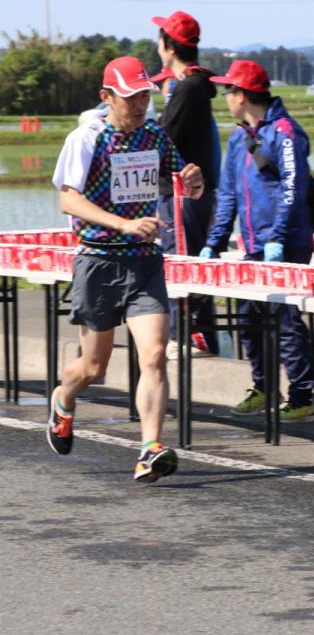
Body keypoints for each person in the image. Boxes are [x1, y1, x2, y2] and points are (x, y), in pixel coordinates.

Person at [48, 56, 205, 481]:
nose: (138, 105)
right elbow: (68, 200)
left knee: (154, 354)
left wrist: (194, 181)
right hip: (98, 261)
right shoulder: (86, 138)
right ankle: (64, 398)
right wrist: (122, 223)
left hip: (143, 261)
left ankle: (150, 448)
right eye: (130, 97)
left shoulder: (154, 135)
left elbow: (185, 183)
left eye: (143, 96)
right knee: (93, 369)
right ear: (107, 97)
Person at [200, 60, 314, 421]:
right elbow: (229, 194)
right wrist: (215, 241)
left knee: (285, 318)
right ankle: (264, 386)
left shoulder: (285, 132)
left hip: (287, 241)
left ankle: (302, 395)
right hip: (252, 243)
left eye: (228, 92)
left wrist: (278, 237)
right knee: (248, 316)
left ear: (243, 94)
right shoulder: (239, 137)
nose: (225, 99)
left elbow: (293, 187)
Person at [151, 10, 220, 359]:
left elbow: (164, 139)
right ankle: (193, 333)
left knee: (181, 260)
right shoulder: (193, 85)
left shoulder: (188, 88)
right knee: (184, 257)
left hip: (182, 192)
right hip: (189, 192)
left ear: (168, 46)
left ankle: (191, 336)